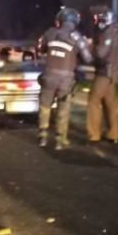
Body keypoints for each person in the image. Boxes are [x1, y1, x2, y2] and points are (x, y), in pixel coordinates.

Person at [38, 8, 93, 150]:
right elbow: (88, 59)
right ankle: (59, 140)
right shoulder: (77, 38)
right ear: (75, 21)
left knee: (45, 107)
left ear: (60, 20)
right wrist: (87, 46)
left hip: (49, 77)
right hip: (66, 80)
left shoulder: (50, 33)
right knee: (63, 109)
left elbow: (42, 49)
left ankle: (43, 136)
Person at [86, 7, 118, 146]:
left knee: (93, 101)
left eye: (101, 19)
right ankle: (113, 134)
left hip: (104, 72)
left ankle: (94, 135)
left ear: (107, 19)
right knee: (110, 103)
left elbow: (100, 53)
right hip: (114, 71)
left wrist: (91, 46)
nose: (99, 22)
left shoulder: (109, 32)